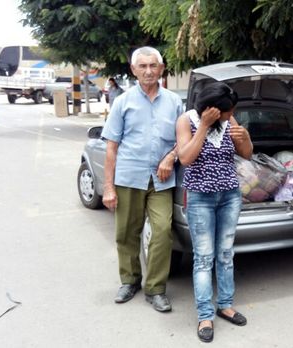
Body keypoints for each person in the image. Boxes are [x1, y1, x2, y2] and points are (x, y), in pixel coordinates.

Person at [101, 46, 183, 312]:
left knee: (162, 232)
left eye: (153, 66)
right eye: (143, 66)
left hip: (162, 179)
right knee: (127, 233)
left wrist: (171, 157)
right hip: (129, 177)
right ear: (134, 70)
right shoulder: (122, 102)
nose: (149, 71)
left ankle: (156, 288)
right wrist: (109, 188)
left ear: (161, 69)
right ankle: (129, 280)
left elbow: (184, 140)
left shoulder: (174, 102)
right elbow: (111, 148)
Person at [176, 82, 253, 343]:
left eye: (233, 110)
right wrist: (205, 127)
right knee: (203, 258)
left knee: (225, 254)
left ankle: (225, 305)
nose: (232, 115)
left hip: (230, 195)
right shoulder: (187, 121)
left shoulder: (230, 120)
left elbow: (247, 154)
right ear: (211, 110)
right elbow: (186, 158)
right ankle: (205, 315)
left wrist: (246, 138)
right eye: (228, 111)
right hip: (200, 199)